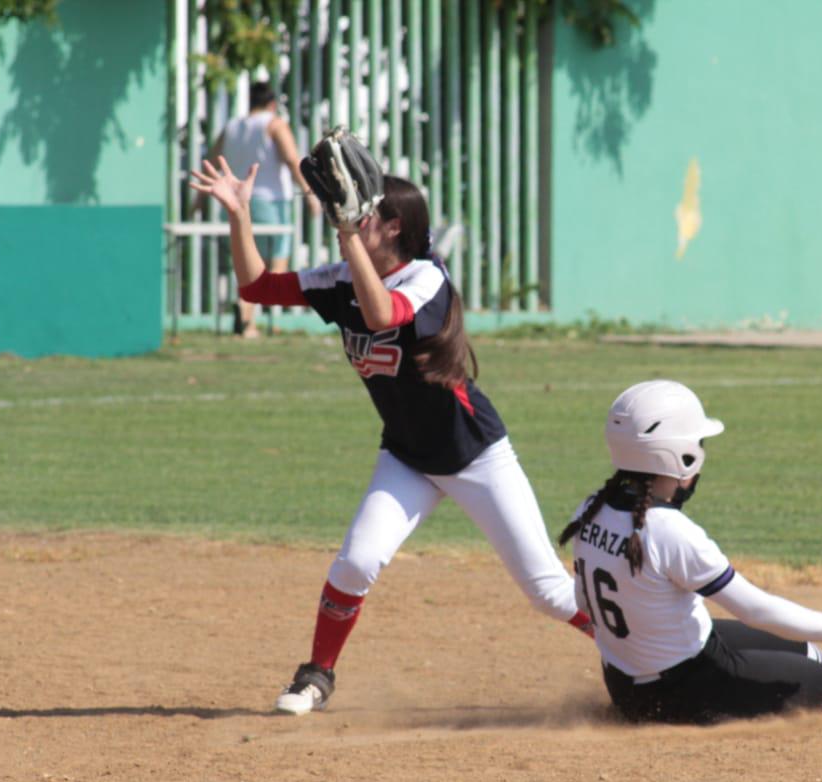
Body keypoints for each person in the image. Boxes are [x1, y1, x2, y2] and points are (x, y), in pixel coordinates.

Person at [188, 154, 593, 715]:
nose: (350, 219)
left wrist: (347, 237)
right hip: (407, 458)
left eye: (366, 214)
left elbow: (382, 317)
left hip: (474, 454)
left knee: (548, 591)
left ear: (394, 227)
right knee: (354, 563)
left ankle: (649, 653)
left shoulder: (426, 279)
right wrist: (240, 215)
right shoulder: (341, 278)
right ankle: (316, 676)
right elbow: (256, 288)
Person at [560, 380, 822, 725]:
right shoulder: (671, 531)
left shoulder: (591, 509)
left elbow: (584, 598)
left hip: (624, 684)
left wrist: (640, 642)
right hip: (671, 694)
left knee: (794, 644)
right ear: (681, 456)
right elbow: (756, 610)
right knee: (815, 681)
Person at [192, 80, 320, 338]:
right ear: (272, 104)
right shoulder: (274, 124)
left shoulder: (231, 128)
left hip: (235, 201)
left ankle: (245, 312)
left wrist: (197, 202)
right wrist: (310, 194)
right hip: (271, 201)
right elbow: (293, 160)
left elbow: (214, 164)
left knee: (244, 262)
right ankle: (266, 319)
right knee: (276, 262)